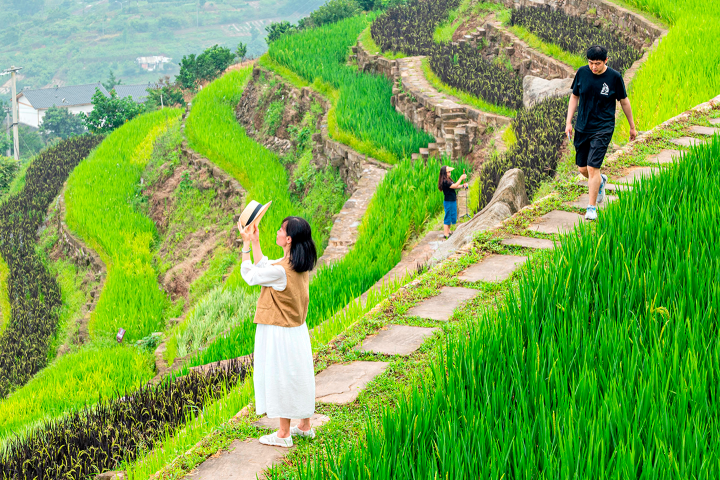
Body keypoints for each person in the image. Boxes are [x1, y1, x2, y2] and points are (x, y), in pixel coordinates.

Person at [239, 214, 317, 448]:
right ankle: (304, 426)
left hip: (280, 333)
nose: (277, 232)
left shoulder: (283, 270)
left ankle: (283, 434)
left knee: (281, 377)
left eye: (281, 230)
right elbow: (267, 265)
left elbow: (252, 275)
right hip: (296, 331)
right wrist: (255, 242)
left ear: (290, 239)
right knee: (298, 375)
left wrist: (244, 247)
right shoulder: (297, 264)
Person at [565, 45, 637, 221]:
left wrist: (632, 126)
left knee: (592, 167)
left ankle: (591, 208)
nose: (593, 67)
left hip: (603, 127)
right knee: (583, 169)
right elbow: (575, 96)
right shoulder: (582, 73)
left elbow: (624, 101)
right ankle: (601, 180)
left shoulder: (614, 77)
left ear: (606, 61)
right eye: (590, 63)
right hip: (582, 126)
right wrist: (568, 122)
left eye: (597, 63)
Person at [438, 165, 468, 239]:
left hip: (452, 200)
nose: (450, 172)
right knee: (448, 216)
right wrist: (461, 178)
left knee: (451, 216)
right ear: (445, 173)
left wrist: (462, 186)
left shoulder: (448, 180)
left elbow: (454, 186)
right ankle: (446, 234)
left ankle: (448, 231)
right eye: (448, 171)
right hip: (448, 201)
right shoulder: (445, 181)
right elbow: (454, 186)